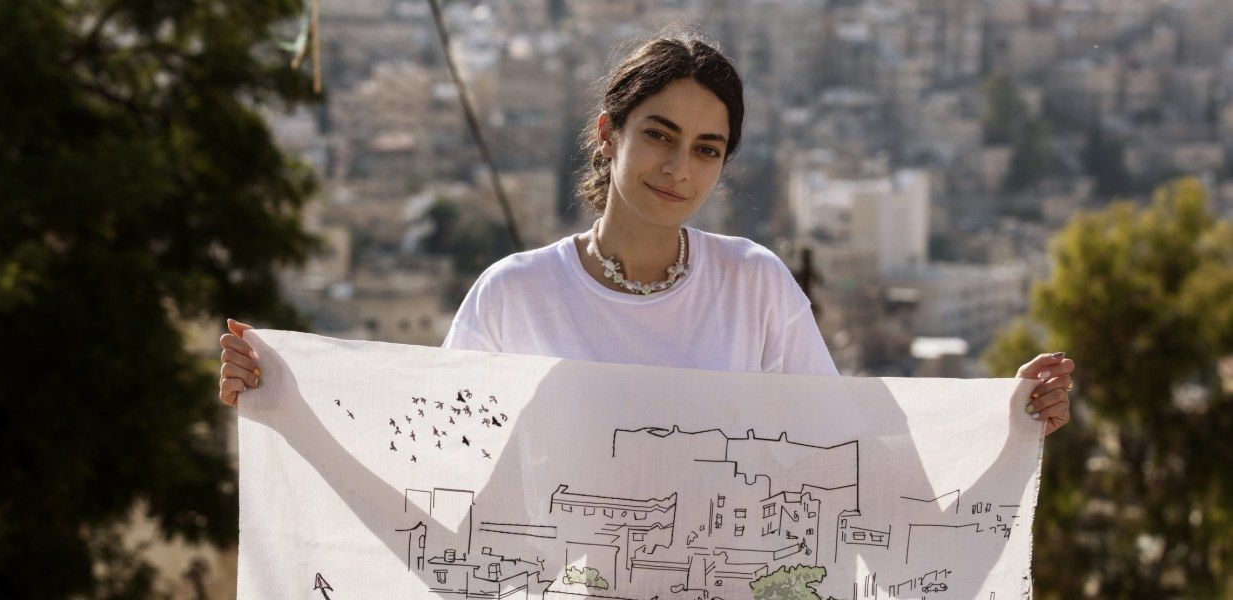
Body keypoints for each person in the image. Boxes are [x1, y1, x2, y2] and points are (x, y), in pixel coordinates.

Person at [217, 32, 1074, 435]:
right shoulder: (513, 294)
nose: (679, 168)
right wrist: (282, 394)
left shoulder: (756, 285)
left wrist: (1007, 414)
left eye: (707, 149)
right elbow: (435, 450)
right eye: (658, 134)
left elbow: (839, 442)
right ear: (608, 133)